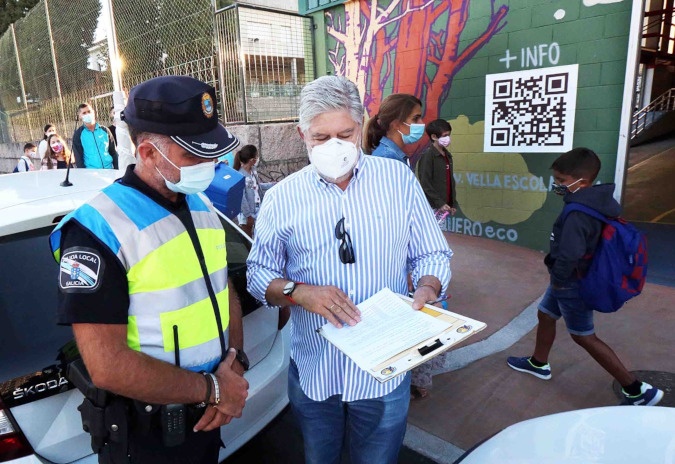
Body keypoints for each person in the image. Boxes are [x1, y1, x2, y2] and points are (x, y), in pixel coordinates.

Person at [246, 75, 453, 464]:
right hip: (315, 367)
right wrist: (298, 292)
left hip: (384, 372)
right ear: (301, 133)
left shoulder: (397, 180)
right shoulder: (282, 197)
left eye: (345, 133)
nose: (335, 146)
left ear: (361, 126)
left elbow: (432, 253)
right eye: (321, 138)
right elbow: (258, 275)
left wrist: (428, 284)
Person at [49, 75, 249, 463]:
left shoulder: (202, 205)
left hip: (207, 419)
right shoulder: (95, 232)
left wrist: (235, 363)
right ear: (149, 152)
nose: (210, 165)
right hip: (148, 440)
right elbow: (107, 365)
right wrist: (214, 389)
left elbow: (224, 289)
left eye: (212, 153)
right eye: (194, 155)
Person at [506, 147, 664, 406]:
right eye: (556, 179)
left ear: (583, 181)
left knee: (583, 336)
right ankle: (538, 363)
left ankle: (636, 390)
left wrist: (558, 279)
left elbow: (570, 254)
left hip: (570, 282)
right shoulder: (595, 200)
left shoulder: (578, 212)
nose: (557, 185)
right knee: (546, 314)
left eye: (562, 181)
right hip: (570, 278)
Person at [365, 93, 424, 167]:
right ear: (396, 124)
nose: (421, 123)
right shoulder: (387, 158)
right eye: (415, 118)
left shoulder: (391, 154)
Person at [416, 119, 457, 219]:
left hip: (444, 206)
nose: (448, 138)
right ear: (434, 137)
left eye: (449, 135)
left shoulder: (447, 155)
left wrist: (452, 204)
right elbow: (425, 183)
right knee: (432, 233)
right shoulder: (428, 156)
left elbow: (450, 181)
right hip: (432, 207)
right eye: (444, 136)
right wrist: (439, 203)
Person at [233, 144, 274, 238]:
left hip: (258, 207)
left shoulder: (253, 171)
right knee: (248, 238)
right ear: (252, 160)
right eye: (256, 156)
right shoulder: (240, 175)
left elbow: (257, 187)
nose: (257, 158)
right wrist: (248, 215)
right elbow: (242, 198)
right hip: (247, 212)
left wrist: (272, 185)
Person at [72, 102, 119, 169]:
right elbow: (79, 158)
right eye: (84, 113)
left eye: (89, 111)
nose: (87, 114)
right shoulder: (78, 134)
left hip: (109, 170)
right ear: (80, 116)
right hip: (92, 173)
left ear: (93, 112)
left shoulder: (105, 130)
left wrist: (116, 169)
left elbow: (113, 152)